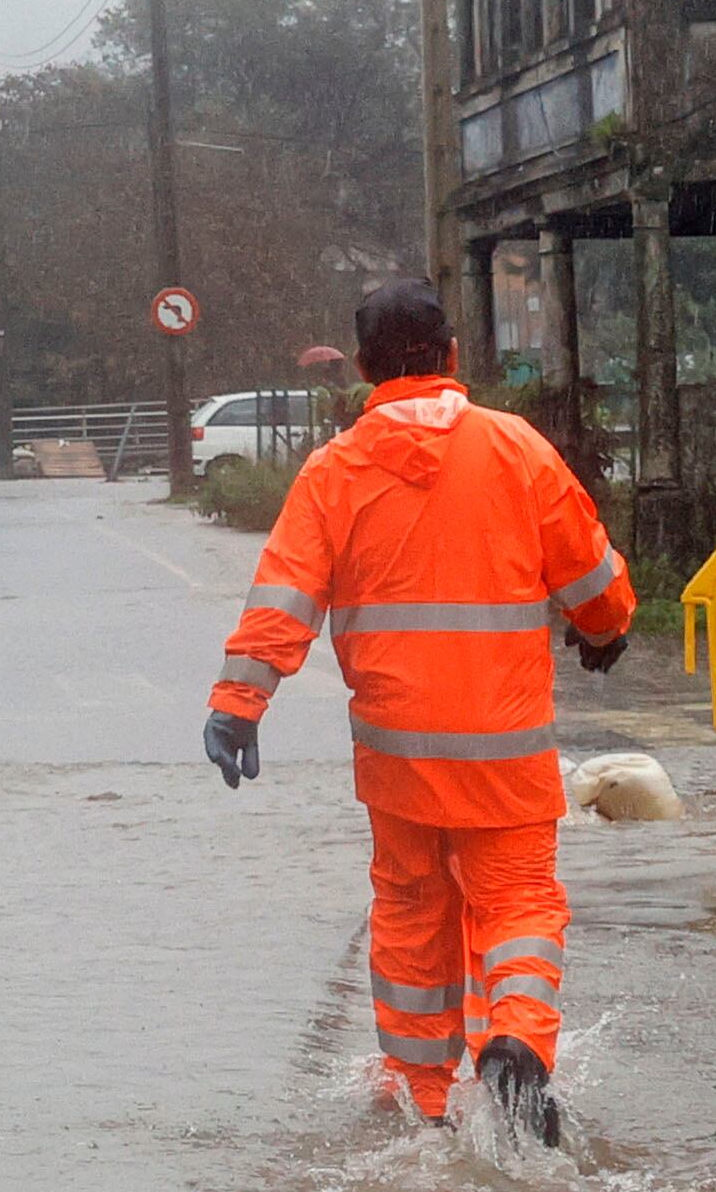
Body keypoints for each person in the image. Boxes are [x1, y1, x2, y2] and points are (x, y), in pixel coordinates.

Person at [202, 279, 633, 1142]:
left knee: (409, 910)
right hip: (504, 744)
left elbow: (284, 596)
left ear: (362, 370)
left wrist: (237, 703)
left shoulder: (336, 468)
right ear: (453, 357)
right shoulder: (515, 448)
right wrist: (605, 626)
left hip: (398, 751)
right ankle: (514, 1040)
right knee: (517, 901)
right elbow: (587, 572)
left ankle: (420, 1094)